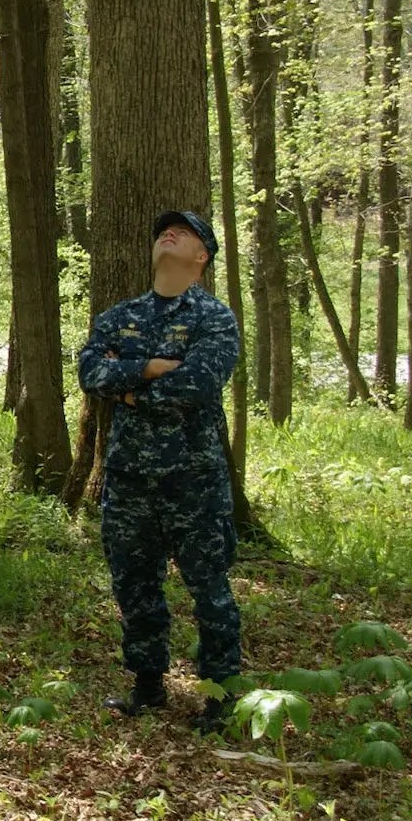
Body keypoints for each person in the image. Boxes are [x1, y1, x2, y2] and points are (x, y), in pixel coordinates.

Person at [77, 209, 244, 732]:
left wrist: (124, 390)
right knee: (135, 587)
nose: (167, 234)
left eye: (184, 232)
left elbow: (197, 385)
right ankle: (147, 684)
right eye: (162, 231)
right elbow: (89, 372)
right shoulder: (118, 317)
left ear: (202, 256)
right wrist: (146, 370)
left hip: (193, 480)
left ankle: (220, 694)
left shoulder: (213, 318)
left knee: (209, 589)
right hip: (129, 481)